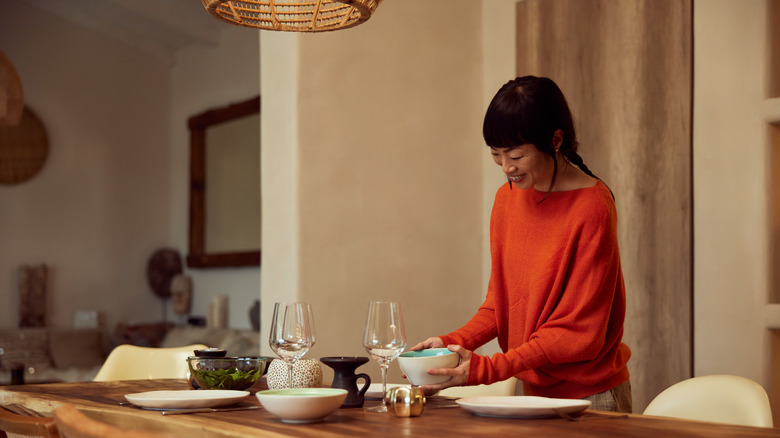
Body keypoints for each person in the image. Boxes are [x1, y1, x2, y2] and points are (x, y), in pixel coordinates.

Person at [411, 76, 632, 413]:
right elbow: (503, 301)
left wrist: (488, 368)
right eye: (496, 155)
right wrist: (452, 344)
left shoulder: (593, 207)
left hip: (590, 396)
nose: (506, 168)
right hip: (531, 388)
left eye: (516, 155)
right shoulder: (507, 199)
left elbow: (577, 333)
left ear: (555, 140)